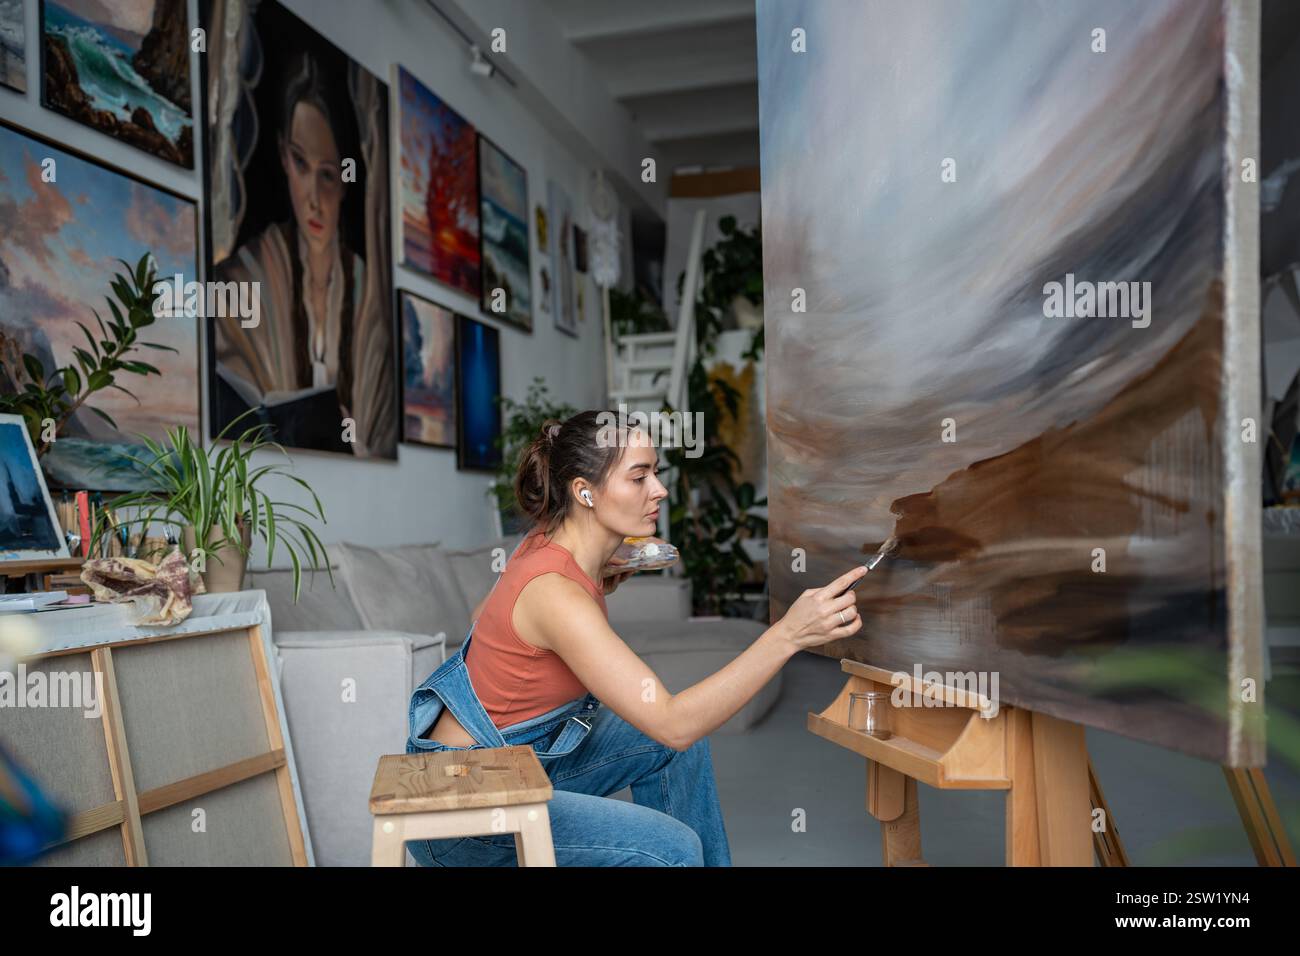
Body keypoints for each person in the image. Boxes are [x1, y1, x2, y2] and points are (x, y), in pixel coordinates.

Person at [405, 410, 869, 866]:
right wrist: (787, 635)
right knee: (671, 843)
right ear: (584, 492)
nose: (660, 490)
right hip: (468, 811)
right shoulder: (556, 594)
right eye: (639, 477)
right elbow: (674, 721)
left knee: (674, 750)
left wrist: (608, 563)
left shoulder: (544, 544)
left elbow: (481, 614)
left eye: (656, 473)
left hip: (520, 761)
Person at [212, 51, 388, 455]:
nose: (314, 199)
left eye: (327, 175)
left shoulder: (370, 300)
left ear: (345, 181)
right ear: (281, 156)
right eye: (300, 163)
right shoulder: (239, 281)